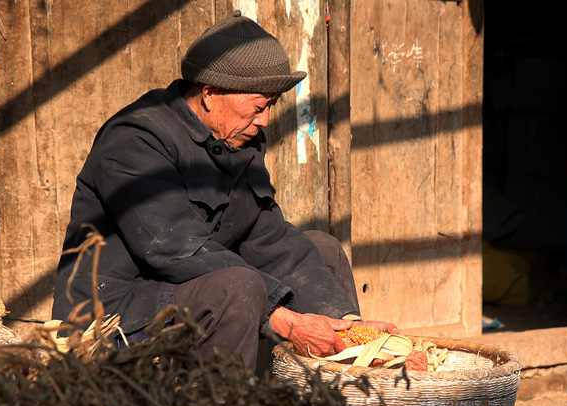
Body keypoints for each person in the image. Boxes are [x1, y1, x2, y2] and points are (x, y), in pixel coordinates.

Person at [51, 10, 397, 371]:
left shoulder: (240, 141)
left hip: (189, 287)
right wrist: (285, 320)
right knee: (239, 287)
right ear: (211, 93)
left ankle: (333, 399)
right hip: (118, 312)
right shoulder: (136, 140)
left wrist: (346, 326)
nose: (264, 121)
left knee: (322, 249)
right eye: (258, 106)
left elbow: (268, 236)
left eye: (271, 106)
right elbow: (176, 249)